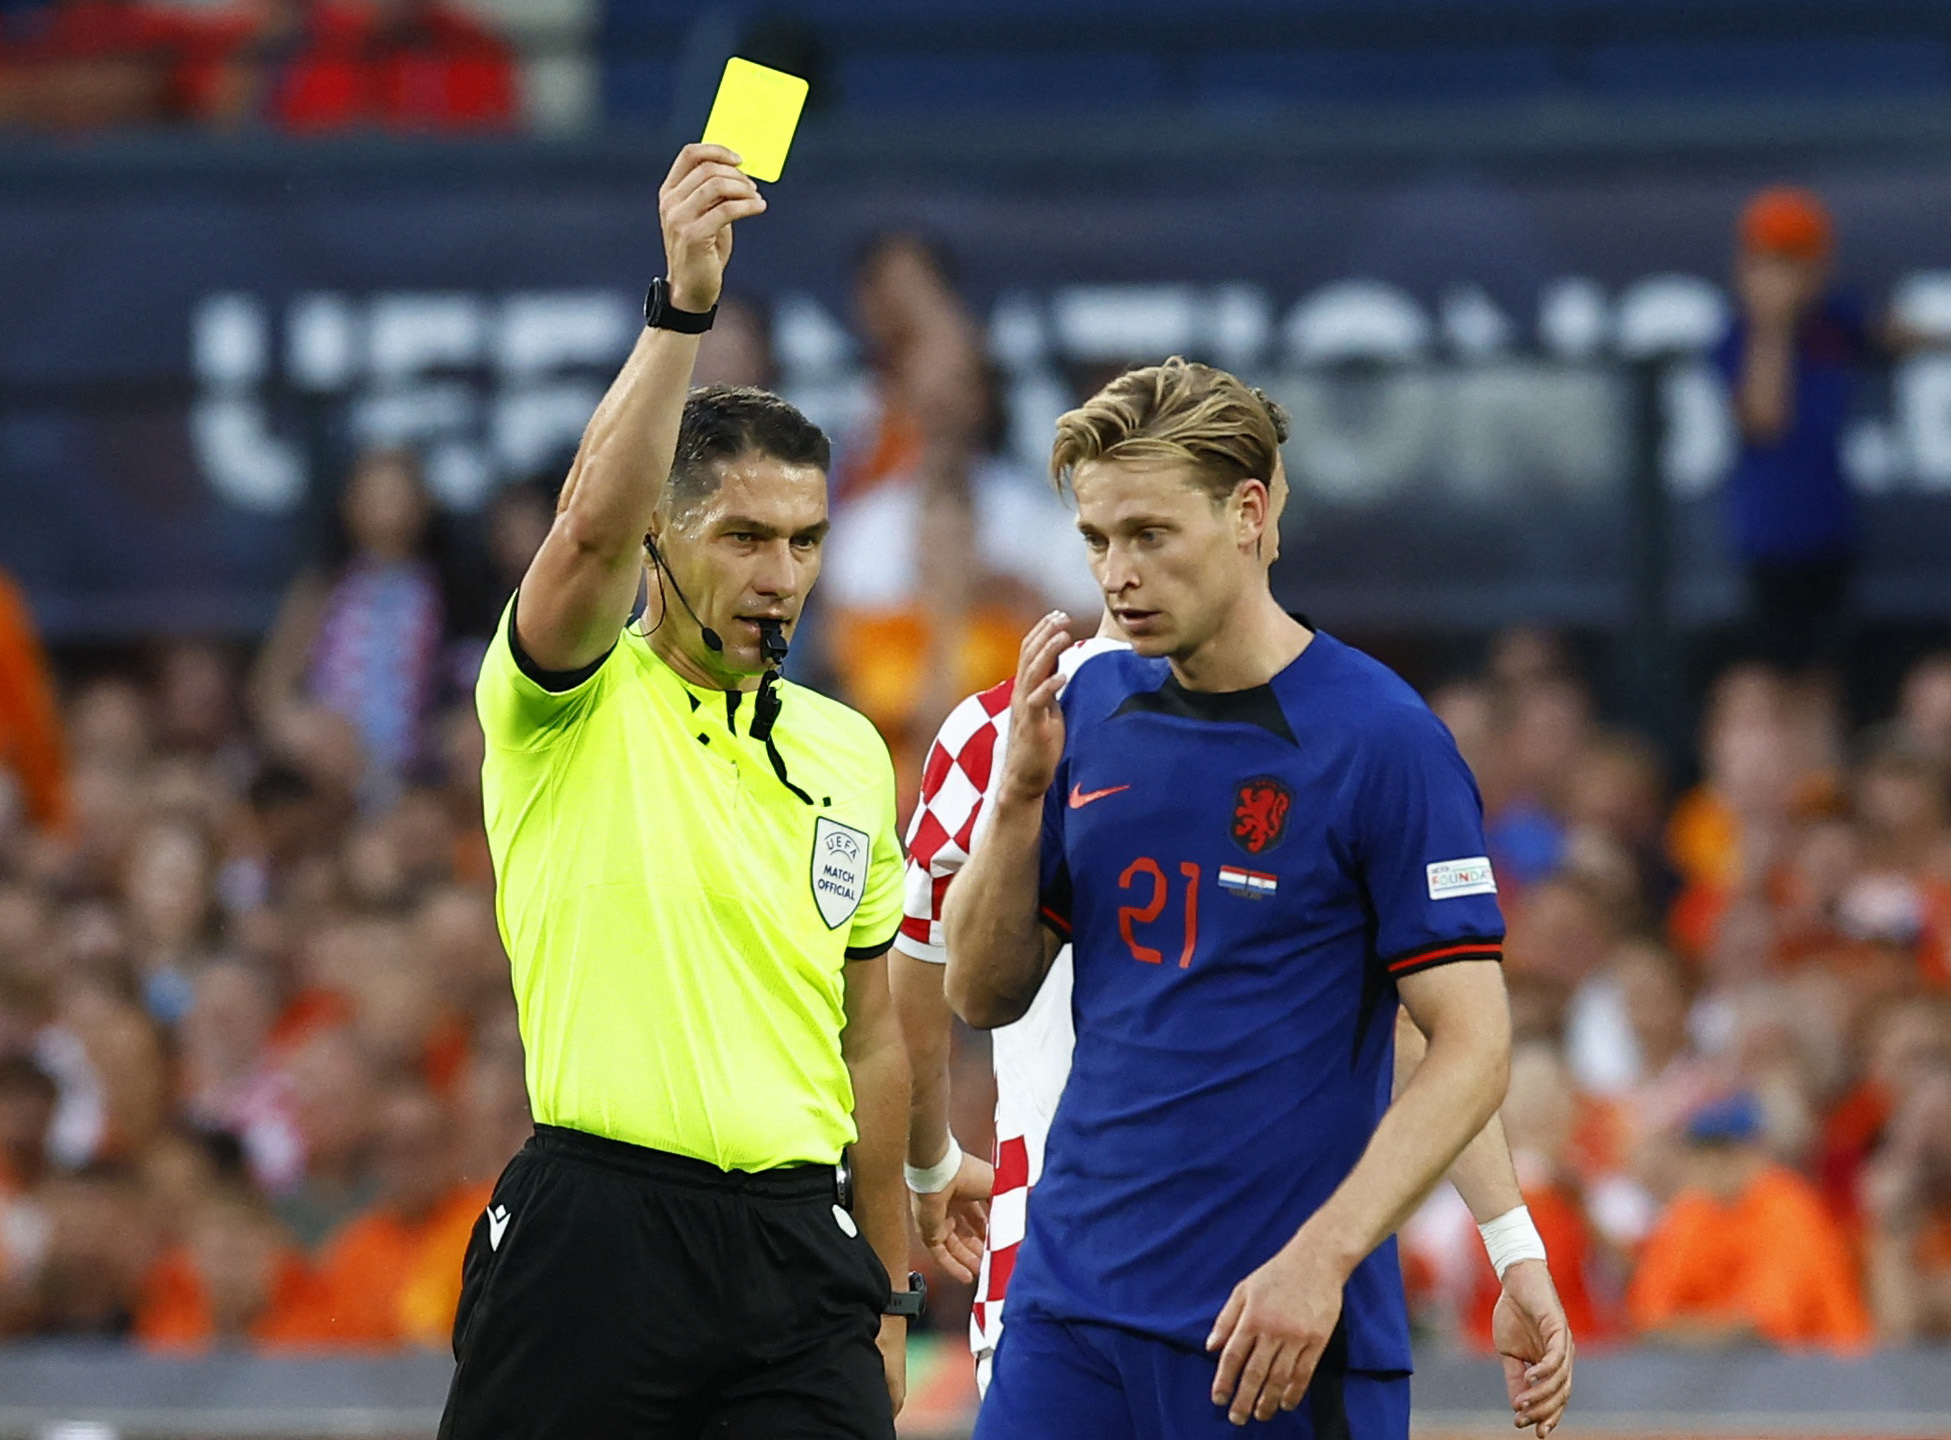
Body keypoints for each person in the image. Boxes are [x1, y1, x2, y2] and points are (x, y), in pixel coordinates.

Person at [943, 358, 1571, 1438]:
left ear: (1247, 512)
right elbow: (980, 991)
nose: (1117, 575)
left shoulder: (1382, 741)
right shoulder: (1082, 707)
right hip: (1067, 1315)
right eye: (1097, 539)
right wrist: (1016, 801)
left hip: (1272, 1333)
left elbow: (1467, 1043)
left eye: (1149, 534)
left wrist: (1329, 1259)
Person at [438, 144, 913, 1440]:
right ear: (662, 535)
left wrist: (887, 1290)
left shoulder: (847, 751)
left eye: (804, 541)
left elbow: (871, 1040)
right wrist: (682, 310)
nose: (781, 575)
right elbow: (586, 529)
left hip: (798, 1257)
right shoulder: (565, 698)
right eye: (743, 537)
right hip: (595, 1242)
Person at [1714, 187, 1885, 674]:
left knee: (1828, 669)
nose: (1789, 277)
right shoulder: (1739, 335)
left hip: (1832, 527)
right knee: (1777, 669)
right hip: (1771, 538)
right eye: (1775, 262)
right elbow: (1764, 419)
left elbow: (1888, 333)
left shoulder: (1833, 319)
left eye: (1799, 261)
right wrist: (1772, 325)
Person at [1626, 1091, 1869, 1349]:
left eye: (1725, 1150)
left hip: (1827, 1364)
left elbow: (1759, 1328)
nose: (1713, 1163)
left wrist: (1680, 1331)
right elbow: (1646, 1316)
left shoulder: (1787, 1208)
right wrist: (1700, 1331)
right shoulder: (1692, 1213)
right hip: (1737, 1367)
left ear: (1754, 1151)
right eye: (1702, 1151)